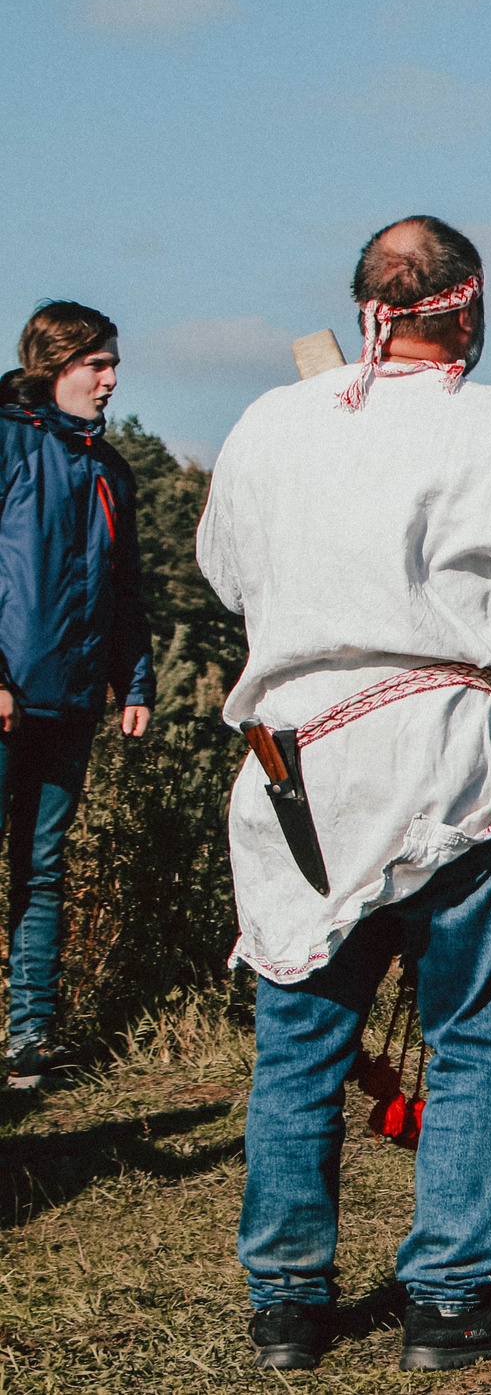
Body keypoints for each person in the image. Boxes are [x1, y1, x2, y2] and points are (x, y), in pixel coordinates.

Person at [197, 217, 491, 1371]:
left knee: (300, 1042)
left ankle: (288, 1304)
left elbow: (225, 572)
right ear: (466, 312)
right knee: (474, 1036)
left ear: (368, 302)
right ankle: (443, 1300)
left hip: (296, 758)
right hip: (442, 751)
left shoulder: (268, 424)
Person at [1, 301, 155, 1087]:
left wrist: (134, 678)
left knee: (42, 866)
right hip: (6, 693)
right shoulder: (6, 442)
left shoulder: (109, 468)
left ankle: (29, 1042)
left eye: (111, 363)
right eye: (97, 363)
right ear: (54, 364)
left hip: (69, 699)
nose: (111, 378)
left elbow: (126, 586)